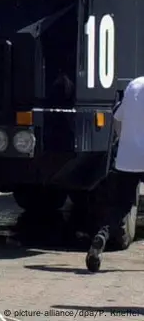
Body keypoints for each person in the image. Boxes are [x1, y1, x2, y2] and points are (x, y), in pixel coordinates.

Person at [86, 75, 144, 272]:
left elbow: (117, 118)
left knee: (120, 207)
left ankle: (101, 237)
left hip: (128, 159)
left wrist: (126, 142)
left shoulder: (134, 85)